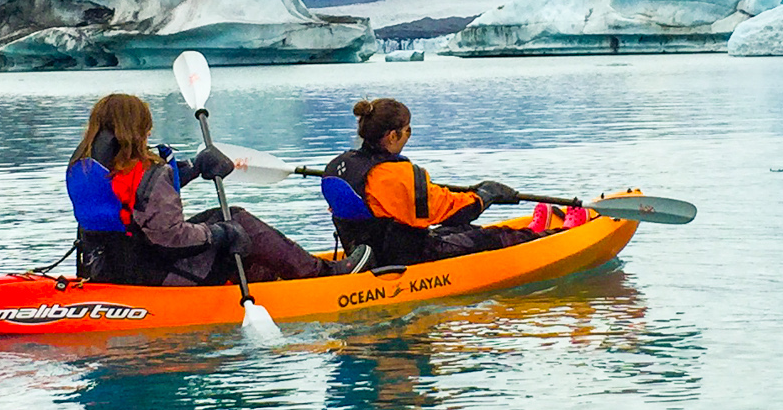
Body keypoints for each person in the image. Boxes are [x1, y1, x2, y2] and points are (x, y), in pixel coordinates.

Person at [67, 93, 371, 286]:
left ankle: (281, 277)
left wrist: (192, 170)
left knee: (223, 219)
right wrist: (220, 234)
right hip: (157, 273)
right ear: (137, 129)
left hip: (107, 268)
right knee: (237, 221)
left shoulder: (85, 166)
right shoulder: (148, 171)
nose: (150, 132)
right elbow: (170, 237)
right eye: (147, 126)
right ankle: (322, 276)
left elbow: (135, 204)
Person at [321, 97, 550, 264]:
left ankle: (533, 231)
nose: (409, 135)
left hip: (370, 255)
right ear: (393, 135)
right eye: (407, 130)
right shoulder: (395, 176)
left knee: (464, 230)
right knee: (491, 237)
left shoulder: (337, 167)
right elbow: (450, 212)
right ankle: (553, 236)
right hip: (411, 259)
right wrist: (484, 196)